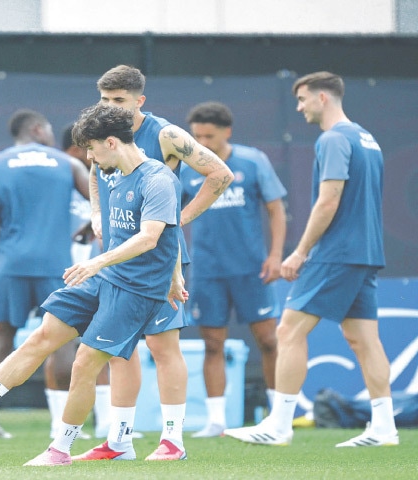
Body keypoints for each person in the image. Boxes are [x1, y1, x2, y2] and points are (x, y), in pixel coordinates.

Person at [0, 103, 186, 467]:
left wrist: (103, 262)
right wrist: (96, 217)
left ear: (112, 142)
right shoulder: (109, 172)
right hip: (107, 276)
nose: (88, 156)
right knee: (41, 337)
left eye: (92, 148)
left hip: (137, 287)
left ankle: (60, 450)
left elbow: (152, 237)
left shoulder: (157, 179)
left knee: (84, 362)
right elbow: (97, 183)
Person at [224, 71, 399, 447]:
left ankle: (279, 425)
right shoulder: (367, 138)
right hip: (366, 253)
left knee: (288, 330)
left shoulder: (333, 138)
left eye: (303, 99)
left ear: (323, 97)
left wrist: (301, 251)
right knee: (363, 339)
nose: (299, 107)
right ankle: (385, 428)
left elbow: (329, 199)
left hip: (336, 253)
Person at [75, 65, 233, 461]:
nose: (109, 107)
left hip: (159, 260)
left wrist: (177, 220)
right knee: (119, 351)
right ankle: (120, 441)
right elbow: (95, 172)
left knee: (163, 348)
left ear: (139, 101)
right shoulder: (104, 131)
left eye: (119, 101)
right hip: (116, 259)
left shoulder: (166, 135)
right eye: (104, 99)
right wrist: (96, 213)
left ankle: (173, 441)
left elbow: (220, 174)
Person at [0, 109, 91, 439]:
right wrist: (90, 229)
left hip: (11, 265)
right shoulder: (69, 164)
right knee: (64, 342)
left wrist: (9, 238)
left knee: (0, 340)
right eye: (49, 129)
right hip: (55, 265)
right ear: (37, 128)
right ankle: (59, 426)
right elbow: (102, 205)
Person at [183, 101, 286, 437]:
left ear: (227, 132)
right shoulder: (186, 167)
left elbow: (276, 210)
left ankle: (277, 416)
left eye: (208, 136)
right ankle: (216, 421)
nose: (202, 142)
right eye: (196, 136)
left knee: (269, 341)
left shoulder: (253, 161)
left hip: (250, 270)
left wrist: (275, 256)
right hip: (207, 270)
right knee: (213, 344)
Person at [41, 123, 111, 440]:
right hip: (64, 271)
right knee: (59, 343)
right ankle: (60, 423)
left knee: (105, 342)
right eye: (90, 147)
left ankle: (108, 422)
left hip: (99, 270)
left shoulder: (104, 178)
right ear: (75, 150)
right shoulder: (56, 178)